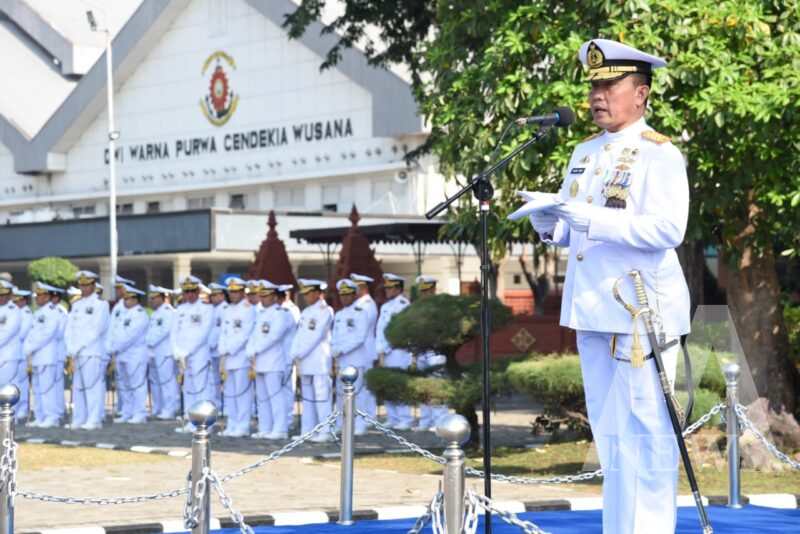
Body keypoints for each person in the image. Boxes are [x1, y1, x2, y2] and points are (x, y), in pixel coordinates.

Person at [526, 38, 690, 534]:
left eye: (610, 86)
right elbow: (575, 230)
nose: (597, 96)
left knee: (647, 432)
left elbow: (668, 229)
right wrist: (550, 225)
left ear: (640, 93)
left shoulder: (659, 153)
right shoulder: (585, 151)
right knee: (611, 433)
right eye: (594, 87)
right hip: (592, 305)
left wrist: (591, 219)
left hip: (640, 310)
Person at [247, 280, 294, 439]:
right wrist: (249, 350)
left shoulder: (281, 313)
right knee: (262, 398)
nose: (263, 299)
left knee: (275, 397)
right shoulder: (261, 314)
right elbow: (254, 335)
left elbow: (274, 336)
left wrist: (255, 349)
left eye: (266, 296)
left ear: (274, 296)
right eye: (261, 296)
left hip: (274, 361)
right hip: (259, 362)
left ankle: (280, 429)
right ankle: (265, 428)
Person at [64, 271, 110, 430]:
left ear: (93, 285)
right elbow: (69, 329)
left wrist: (78, 346)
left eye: (87, 285)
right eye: (81, 285)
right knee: (78, 388)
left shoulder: (101, 305)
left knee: (92, 387)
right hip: (77, 354)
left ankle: (94, 419)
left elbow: (96, 330)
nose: (83, 288)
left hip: (92, 352)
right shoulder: (76, 305)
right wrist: (70, 347)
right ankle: (79, 418)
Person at [289, 279, 333, 442]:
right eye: (305, 294)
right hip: (305, 361)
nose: (306, 297)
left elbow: (315, 336)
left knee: (322, 397)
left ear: (317, 293)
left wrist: (299, 353)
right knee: (307, 399)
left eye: (308, 293)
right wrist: (294, 354)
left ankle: (325, 431)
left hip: (318, 360)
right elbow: (299, 335)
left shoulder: (325, 310)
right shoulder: (306, 311)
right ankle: (308, 431)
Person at [171, 275, 213, 433]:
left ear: (198, 291)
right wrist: (177, 352)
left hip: (198, 355)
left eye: (192, 291)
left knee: (202, 391)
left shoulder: (206, 309)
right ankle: (191, 421)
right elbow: (173, 332)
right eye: (186, 291)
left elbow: (203, 334)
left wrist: (187, 351)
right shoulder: (180, 309)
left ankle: (204, 424)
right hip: (183, 357)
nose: (189, 295)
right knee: (188, 390)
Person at [331, 279, 372, 435]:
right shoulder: (339, 314)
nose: (344, 298)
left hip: (356, 360)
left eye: (348, 295)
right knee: (341, 394)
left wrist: (341, 350)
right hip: (341, 362)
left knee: (358, 394)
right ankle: (341, 424)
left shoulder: (361, 313)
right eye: (342, 295)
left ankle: (360, 425)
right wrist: (334, 351)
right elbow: (335, 337)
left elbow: (359, 337)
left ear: (354, 295)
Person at [218, 277, 255, 437]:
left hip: (241, 358)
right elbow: (223, 332)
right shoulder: (228, 309)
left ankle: (242, 425)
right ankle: (232, 424)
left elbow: (245, 334)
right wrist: (222, 348)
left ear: (242, 292)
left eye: (236, 292)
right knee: (230, 394)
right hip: (227, 359)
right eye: (231, 292)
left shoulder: (248, 309)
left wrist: (229, 349)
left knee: (242, 394)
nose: (233, 295)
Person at [375, 273, 413, 430]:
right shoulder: (386, 306)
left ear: (398, 289)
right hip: (385, 351)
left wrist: (386, 348)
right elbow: (380, 330)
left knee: (399, 385)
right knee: (388, 385)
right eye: (386, 288)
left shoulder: (403, 305)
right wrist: (380, 350)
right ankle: (393, 417)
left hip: (398, 351)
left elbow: (400, 331)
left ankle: (405, 418)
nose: (387, 291)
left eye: (390, 288)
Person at [23, 283, 63, 427]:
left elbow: (47, 334)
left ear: (47, 297)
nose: (37, 298)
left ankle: (52, 417)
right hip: (36, 356)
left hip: (46, 355)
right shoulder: (38, 312)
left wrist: (29, 348)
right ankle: (40, 416)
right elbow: (31, 333)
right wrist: (27, 348)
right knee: (38, 389)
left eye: (39, 296)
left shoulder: (52, 312)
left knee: (47, 388)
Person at [412, 275, 449, 431]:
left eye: (427, 290)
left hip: (435, 351)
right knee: (423, 388)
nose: (424, 294)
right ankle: (425, 420)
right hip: (421, 351)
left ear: (433, 289)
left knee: (436, 387)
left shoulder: (441, 307)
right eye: (422, 291)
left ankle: (440, 421)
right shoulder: (418, 308)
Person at [108, 285, 149, 424]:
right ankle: (127, 412)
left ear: (136, 300)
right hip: (122, 354)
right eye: (125, 299)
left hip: (135, 354)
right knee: (124, 385)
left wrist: (114, 348)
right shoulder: (123, 313)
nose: (126, 301)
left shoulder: (140, 314)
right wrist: (112, 347)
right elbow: (115, 332)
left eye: (129, 299)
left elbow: (130, 336)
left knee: (137, 385)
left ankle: (140, 413)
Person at [146, 285, 179, 419]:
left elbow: (164, 331)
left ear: (162, 298)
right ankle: (158, 407)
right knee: (155, 382)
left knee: (167, 381)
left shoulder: (168, 312)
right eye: (151, 298)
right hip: (153, 352)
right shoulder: (155, 313)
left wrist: (150, 341)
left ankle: (170, 408)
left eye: (154, 298)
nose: (152, 301)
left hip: (165, 352)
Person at [350, 273, 378, 424]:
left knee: (365, 386)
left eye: (356, 288)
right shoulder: (358, 304)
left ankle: (368, 417)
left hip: (365, 350)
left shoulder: (367, 304)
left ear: (363, 288)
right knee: (360, 385)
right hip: (358, 350)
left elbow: (361, 327)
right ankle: (364, 416)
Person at [278, 283, 299, 432]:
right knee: (279, 390)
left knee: (288, 388)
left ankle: (289, 418)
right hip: (279, 355)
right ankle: (282, 419)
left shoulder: (292, 310)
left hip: (288, 353)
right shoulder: (277, 310)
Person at [0, 282, 23, 420]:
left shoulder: (13, 310)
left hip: (9, 355)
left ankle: (14, 415)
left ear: (9, 295)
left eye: (4, 295)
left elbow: (8, 332)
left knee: (9, 387)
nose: (1, 298)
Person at [206, 282, 227, 410]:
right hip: (212, 350)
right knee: (214, 379)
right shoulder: (212, 309)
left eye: (216, 295)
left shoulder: (225, 309)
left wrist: (213, 343)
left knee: (224, 379)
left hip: (221, 349)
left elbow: (222, 330)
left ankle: (224, 405)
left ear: (222, 296)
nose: (213, 298)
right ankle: (217, 404)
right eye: (212, 295)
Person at [12, 287, 32, 421]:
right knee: (14, 382)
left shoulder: (26, 313)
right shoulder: (16, 312)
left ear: (23, 301)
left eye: (18, 300)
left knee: (21, 382)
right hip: (14, 352)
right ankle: (15, 408)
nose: (16, 303)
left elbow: (22, 333)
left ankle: (22, 409)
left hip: (22, 352)